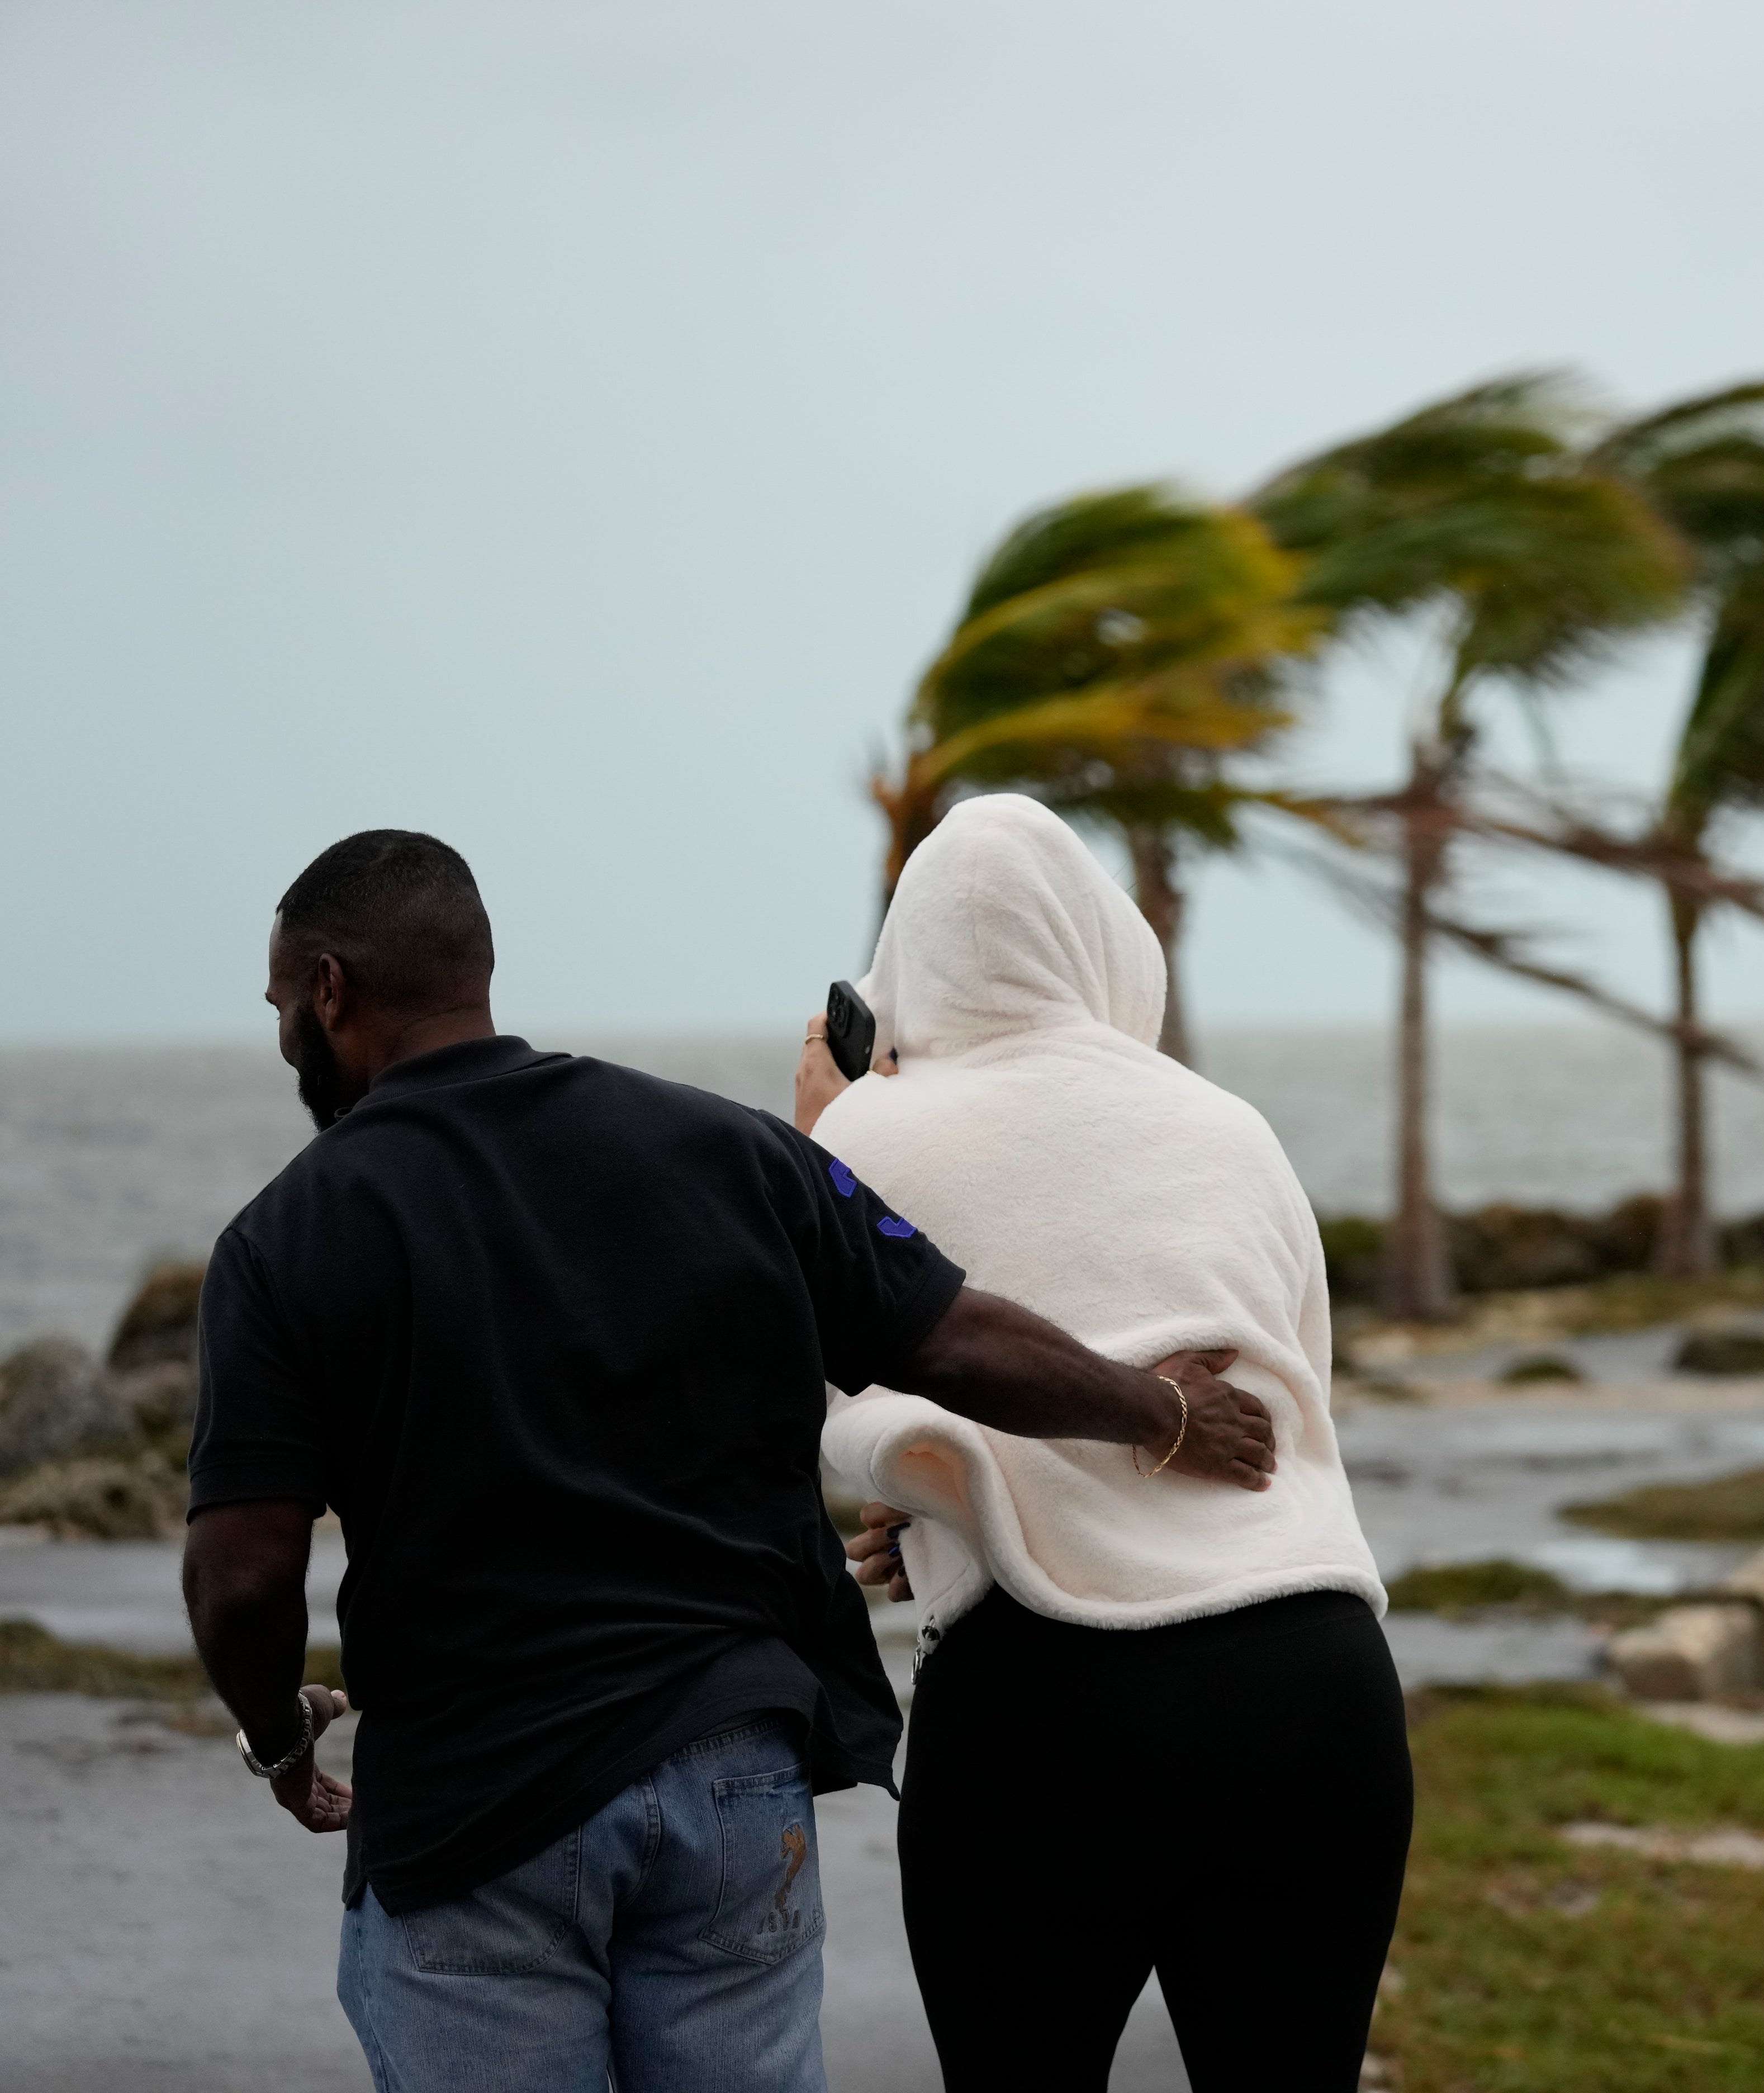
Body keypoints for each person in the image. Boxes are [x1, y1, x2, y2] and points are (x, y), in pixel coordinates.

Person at [180, 828, 1277, 2093]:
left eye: (281, 1005)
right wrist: (1159, 1410)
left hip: (472, 1810)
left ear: (330, 989)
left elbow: (244, 1579)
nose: (284, 1041)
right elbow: (956, 1340)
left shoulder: (282, 1240)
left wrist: (278, 1738)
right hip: (728, 1778)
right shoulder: (731, 1149)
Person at [802, 795, 1408, 2093]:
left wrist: (824, 1137)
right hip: (1311, 1680)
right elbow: (1300, 1408)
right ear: (1106, 941)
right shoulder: (1230, 1127)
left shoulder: (861, 1136)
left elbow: (824, 1360)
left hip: (1047, 1697)